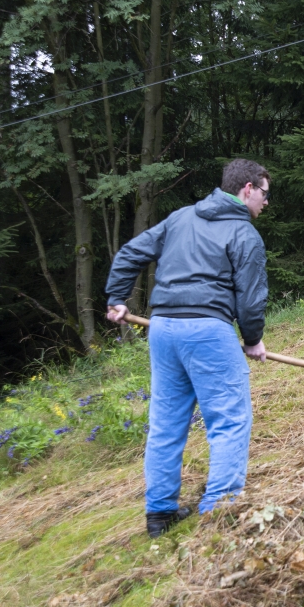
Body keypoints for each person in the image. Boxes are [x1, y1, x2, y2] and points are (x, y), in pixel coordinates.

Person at [105, 159, 270, 538]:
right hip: (208, 331)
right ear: (247, 189)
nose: (265, 202)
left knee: (165, 423)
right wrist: (252, 340)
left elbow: (131, 252)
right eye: (264, 194)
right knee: (228, 419)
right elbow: (250, 300)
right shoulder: (245, 235)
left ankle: (159, 515)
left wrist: (117, 298)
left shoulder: (180, 218)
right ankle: (219, 511)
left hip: (162, 330)